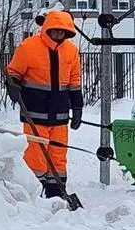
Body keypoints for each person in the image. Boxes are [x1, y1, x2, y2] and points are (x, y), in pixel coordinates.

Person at [5, 10, 83, 199]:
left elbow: (74, 80)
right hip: (34, 111)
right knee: (36, 155)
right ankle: (36, 190)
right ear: (47, 28)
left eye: (63, 32)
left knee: (58, 155)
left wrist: (77, 107)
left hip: (60, 113)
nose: (59, 35)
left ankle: (56, 192)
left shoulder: (71, 50)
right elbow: (13, 71)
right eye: (55, 31)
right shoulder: (28, 47)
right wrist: (12, 85)